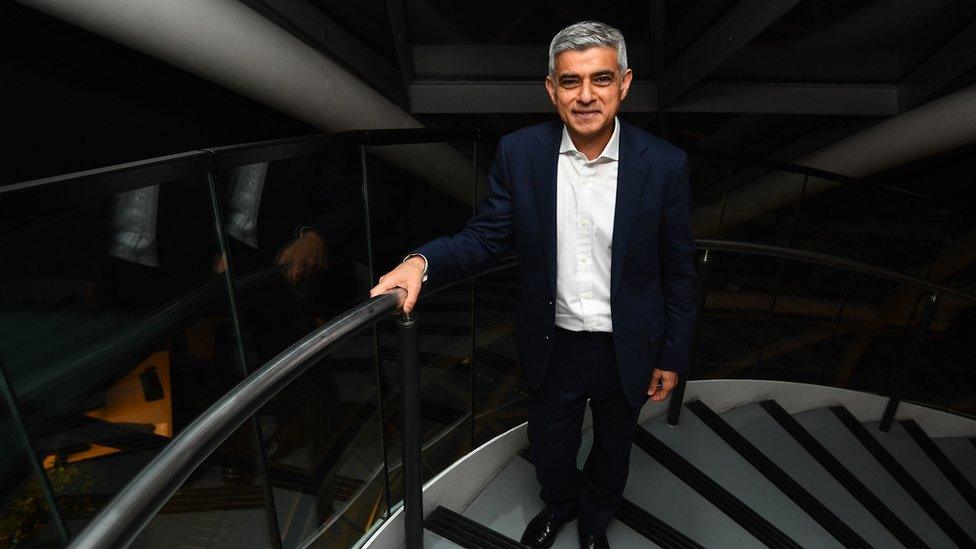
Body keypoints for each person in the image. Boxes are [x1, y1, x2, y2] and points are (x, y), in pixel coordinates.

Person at [370, 21, 696, 549]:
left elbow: (680, 270)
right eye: (571, 82)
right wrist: (421, 261)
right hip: (555, 342)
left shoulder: (663, 165)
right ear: (551, 89)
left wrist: (673, 354)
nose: (586, 96)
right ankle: (561, 506)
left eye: (601, 79)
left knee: (614, 448)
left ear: (625, 84)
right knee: (549, 447)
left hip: (630, 345)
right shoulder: (520, 154)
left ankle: (594, 524)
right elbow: (485, 238)